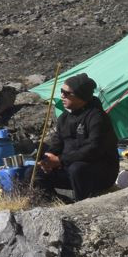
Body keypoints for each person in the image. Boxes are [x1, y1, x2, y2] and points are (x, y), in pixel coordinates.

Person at [34, 72, 119, 201]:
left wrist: (60, 160)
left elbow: (93, 149)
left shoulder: (97, 117)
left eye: (67, 93)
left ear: (81, 96)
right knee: (34, 172)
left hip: (99, 172)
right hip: (68, 168)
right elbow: (57, 143)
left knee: (77, 169)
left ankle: (83, 203)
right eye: (62, 91)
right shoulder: (64, 118)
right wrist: (48, 158)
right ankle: (60, 203)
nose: (62, 95)